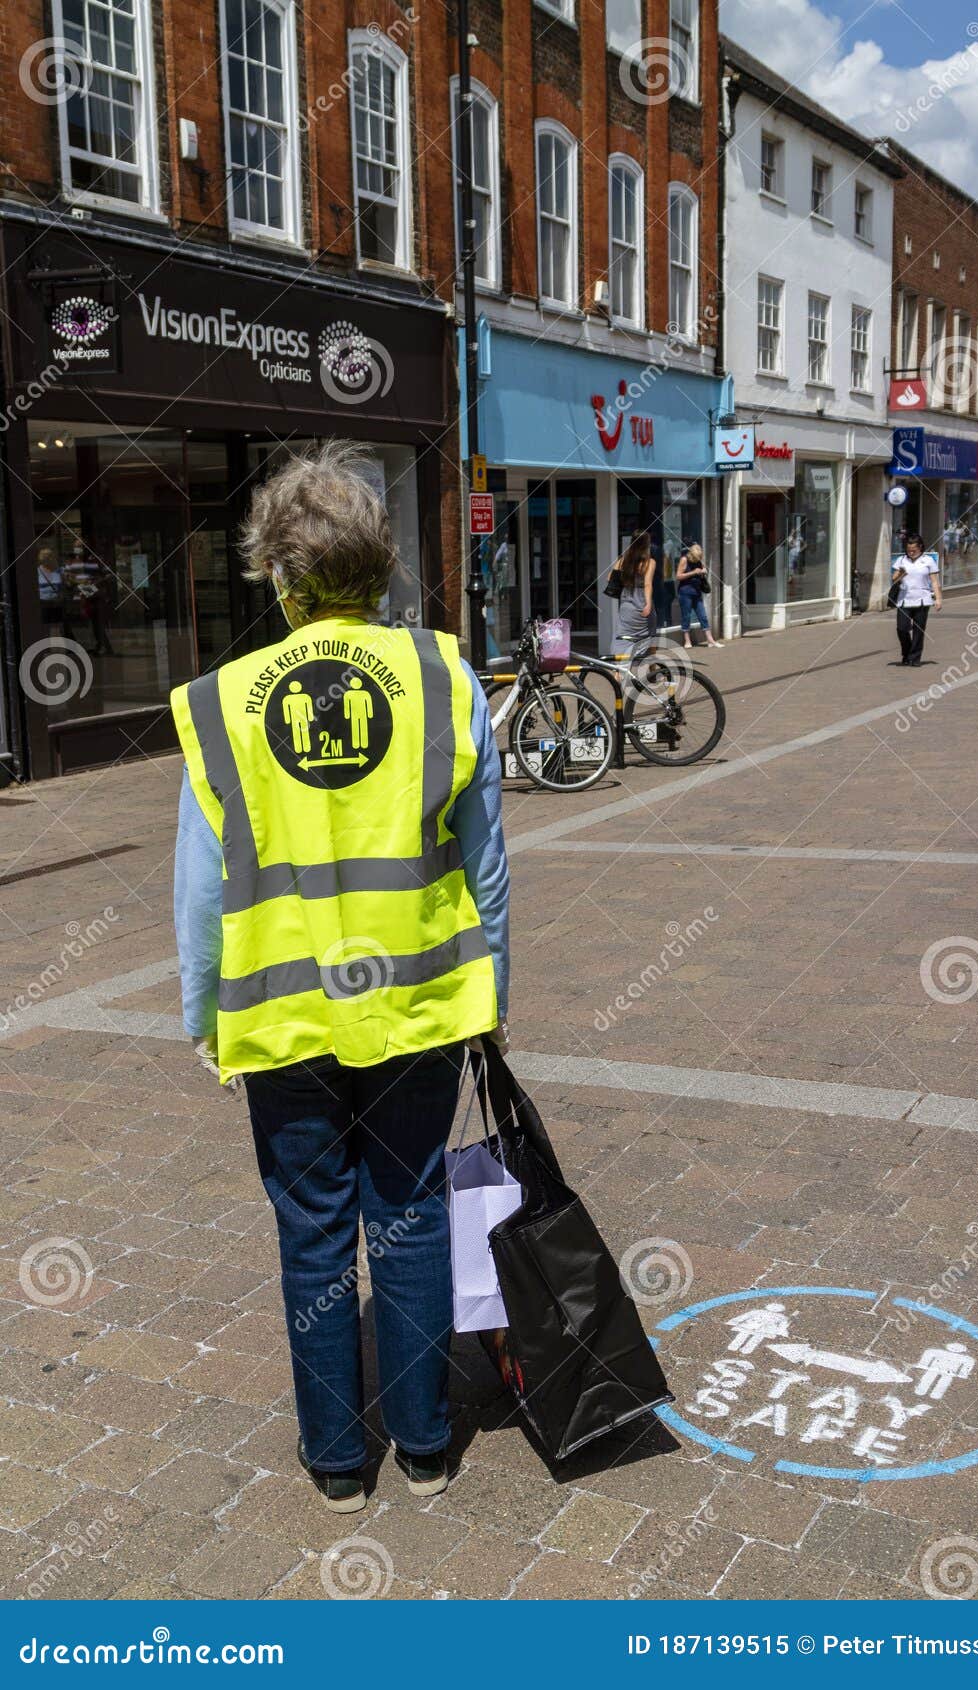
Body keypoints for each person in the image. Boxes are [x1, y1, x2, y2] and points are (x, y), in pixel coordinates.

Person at [171, 443, 510, 1514]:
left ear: (278, 576)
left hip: (283, 1010)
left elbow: (198, 887)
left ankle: (334, 1463)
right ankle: (421, 1443)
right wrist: (487, 993)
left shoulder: (223, 700)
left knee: (312, 1226)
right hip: (417, 1002)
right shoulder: (446, 677)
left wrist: (203, 1017)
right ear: (380, 571)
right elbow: (486, 863)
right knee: (406, 1213)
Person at [892, 533, 942, 666]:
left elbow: (935, 582)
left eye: (914, 550)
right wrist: (901, 574)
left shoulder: (929, 560)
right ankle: (907, 653)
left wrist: (938, 599)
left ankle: (914, 658)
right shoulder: (902, 560)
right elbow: (894, 579)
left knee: (918, 630)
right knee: (902, 628)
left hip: (922, 599)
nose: (911, 552)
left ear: (920, 547)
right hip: (904, 599)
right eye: (909, 550)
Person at [611, 530, 656, 661]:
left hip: (626, 606)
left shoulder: (623, 561)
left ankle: (617, 670)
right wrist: (647, 604)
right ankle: (652, 667)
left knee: (622, 636)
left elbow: (610, 578)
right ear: (646, 544)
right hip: (641, 604)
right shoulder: (649, 562)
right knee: (650, 637)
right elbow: (647, 584)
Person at [675, 543, 722, 651]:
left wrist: (703, 572)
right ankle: (687, 640)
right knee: (686, 616)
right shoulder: (684, 560)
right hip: (685, 592)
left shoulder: (699, 561)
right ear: (691, 555)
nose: (697, 560)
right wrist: (692, 573)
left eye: (699, 558)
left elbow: (702, 570)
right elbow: (678, 576)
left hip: (697, 592)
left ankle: (711, 640)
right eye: (696, 558)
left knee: (703, 616)